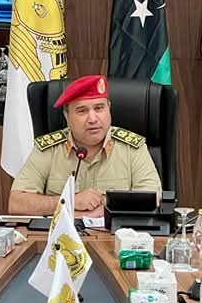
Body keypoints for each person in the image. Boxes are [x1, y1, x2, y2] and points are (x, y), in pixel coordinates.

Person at [9, 75, 162, 218]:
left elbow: (152, 199)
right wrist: (68, 201)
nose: (93, 119)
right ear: (66, 116)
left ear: (109, 108)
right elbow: (16, 203)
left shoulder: (132, 148)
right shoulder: (49, 149)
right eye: (82, 111)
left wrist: (101, 211)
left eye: (99, 108)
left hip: (115, 235)